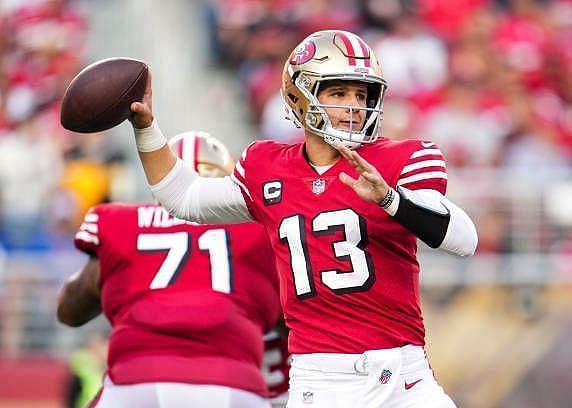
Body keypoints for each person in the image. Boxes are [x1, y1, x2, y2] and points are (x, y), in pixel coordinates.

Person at [128, 30, 478, 407]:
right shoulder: (267, 167)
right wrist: (146, 128)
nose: (354, 106)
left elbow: (464, 240)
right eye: (339, 93)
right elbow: (184, 198)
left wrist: (391, 200)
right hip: (322, 380)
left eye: (361, 95)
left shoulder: (403, 159)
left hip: (404, 376)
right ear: (300, 96)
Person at [57, 131, 281, 407]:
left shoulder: (122, 222)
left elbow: (69, 310)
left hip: (137, 379)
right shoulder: (261, 229)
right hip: (231, 382)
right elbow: (296, 313)